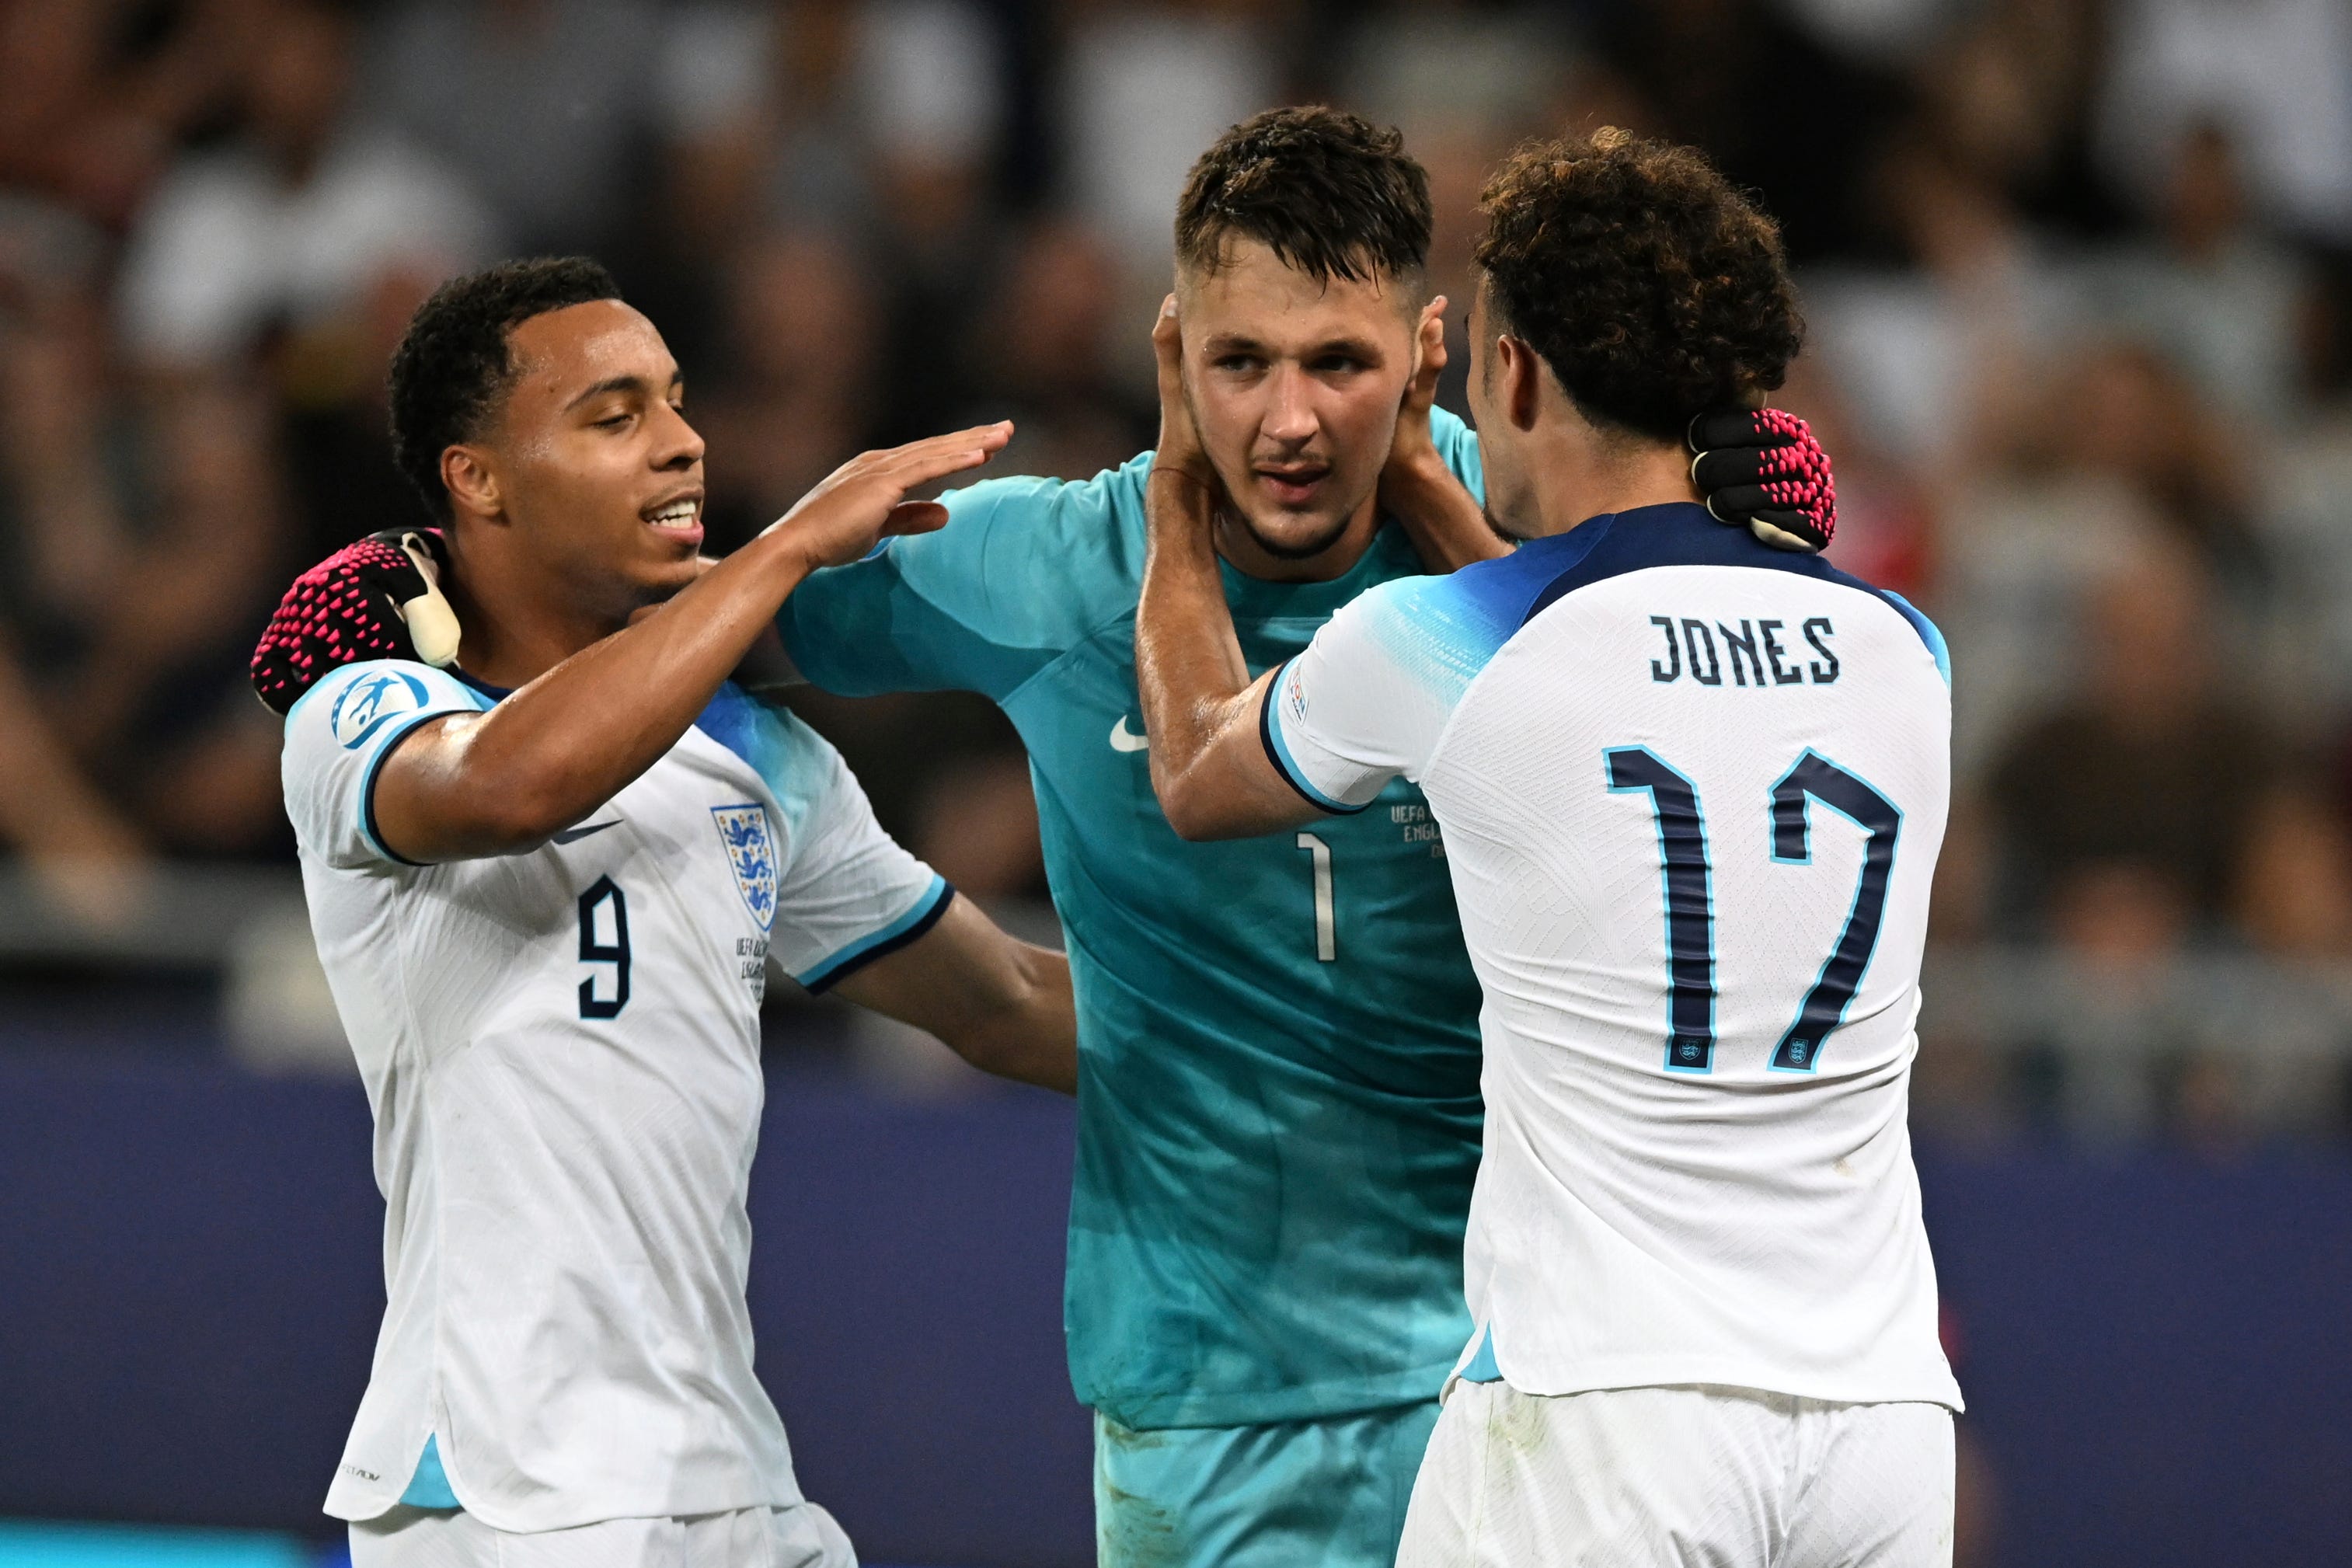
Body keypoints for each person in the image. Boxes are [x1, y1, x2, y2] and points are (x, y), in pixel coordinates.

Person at [250, 112, 1834, 1566]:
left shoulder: (1532, 516)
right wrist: (417, 612)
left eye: (1340, 364)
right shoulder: (1036, 564)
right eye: (1238, 362)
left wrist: (1757, 527)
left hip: (1534, 1355)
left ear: (1429, 351)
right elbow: (678, 620)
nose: (1286, 420)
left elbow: (1730, 622)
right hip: (1204, 1386)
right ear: (1171, 349)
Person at [1134, 129, 1960, 1563]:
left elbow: (1205, 768)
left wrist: (1173, 484)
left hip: (1604, 1412)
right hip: (1882, 1418)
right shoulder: (1905, 649)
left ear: (1506, 374)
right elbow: (1610, 660)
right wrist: (1443, 500)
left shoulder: (1447, 642)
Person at [280, 256, 1075, 1567]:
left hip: (730, 1476)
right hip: (500, 1485)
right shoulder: (365, 712)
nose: (682, 442)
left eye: (676, 402)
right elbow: (511, 784)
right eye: (615, 416)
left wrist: (1353, 1056)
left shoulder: (762, 759)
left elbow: (1010, 1003)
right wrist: (780, 553)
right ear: (476, 478)